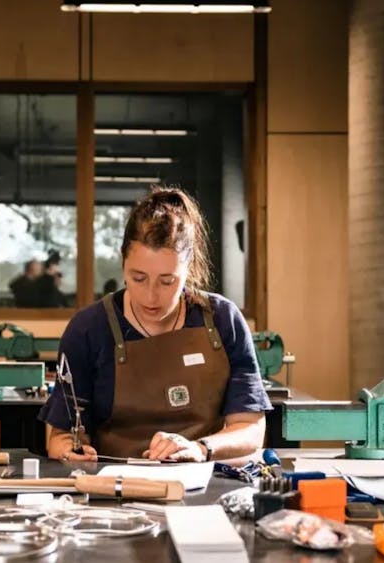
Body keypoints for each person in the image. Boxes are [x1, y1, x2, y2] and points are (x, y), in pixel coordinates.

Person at [39, 188, 271, 462]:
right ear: (122, 259)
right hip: (114, 488)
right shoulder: (89, 329)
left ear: (188, 267)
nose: (151, 296)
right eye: (138, 278)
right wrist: (69, 449)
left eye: (167, 281)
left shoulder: (222, 320)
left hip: (207, 484)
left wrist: (200, 448)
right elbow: (60, 436)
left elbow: (250, 429)